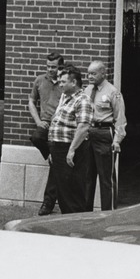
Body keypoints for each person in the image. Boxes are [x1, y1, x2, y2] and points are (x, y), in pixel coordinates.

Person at [48, 66, 93, 214]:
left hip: (70, 148)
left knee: (72, 188)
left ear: (73, 83)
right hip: (59, 148)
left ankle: (74, 222)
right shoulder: (65, 98)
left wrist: (72, 150)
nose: (60, 84)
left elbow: (83, 127)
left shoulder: (82, 100)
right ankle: (66, 219)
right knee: (63, 188)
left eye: (63, 82)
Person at [83, 60, 127, 211]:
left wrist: (117, 140)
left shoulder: (113, 92)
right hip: (89, 133)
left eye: (93, 74)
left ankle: (108, 213)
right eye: (88, 73)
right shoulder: (87, 90)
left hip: (104, 133)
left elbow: (120, 118)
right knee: (87, 176)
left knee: (106, 178)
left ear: (103, 73)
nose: (90, 77)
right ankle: (86, 212)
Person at [28, 50, 65, 215]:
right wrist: (37, 121)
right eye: (48, 66)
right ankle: (50, 155)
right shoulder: (39, 80)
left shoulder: (65, 82)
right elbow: (31, 101)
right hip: (45, 125)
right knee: (36, 137)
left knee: (55, 167)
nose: (50, 70)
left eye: (54, 67)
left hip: (60, 126)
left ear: (60, 66)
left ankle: (47, 204)